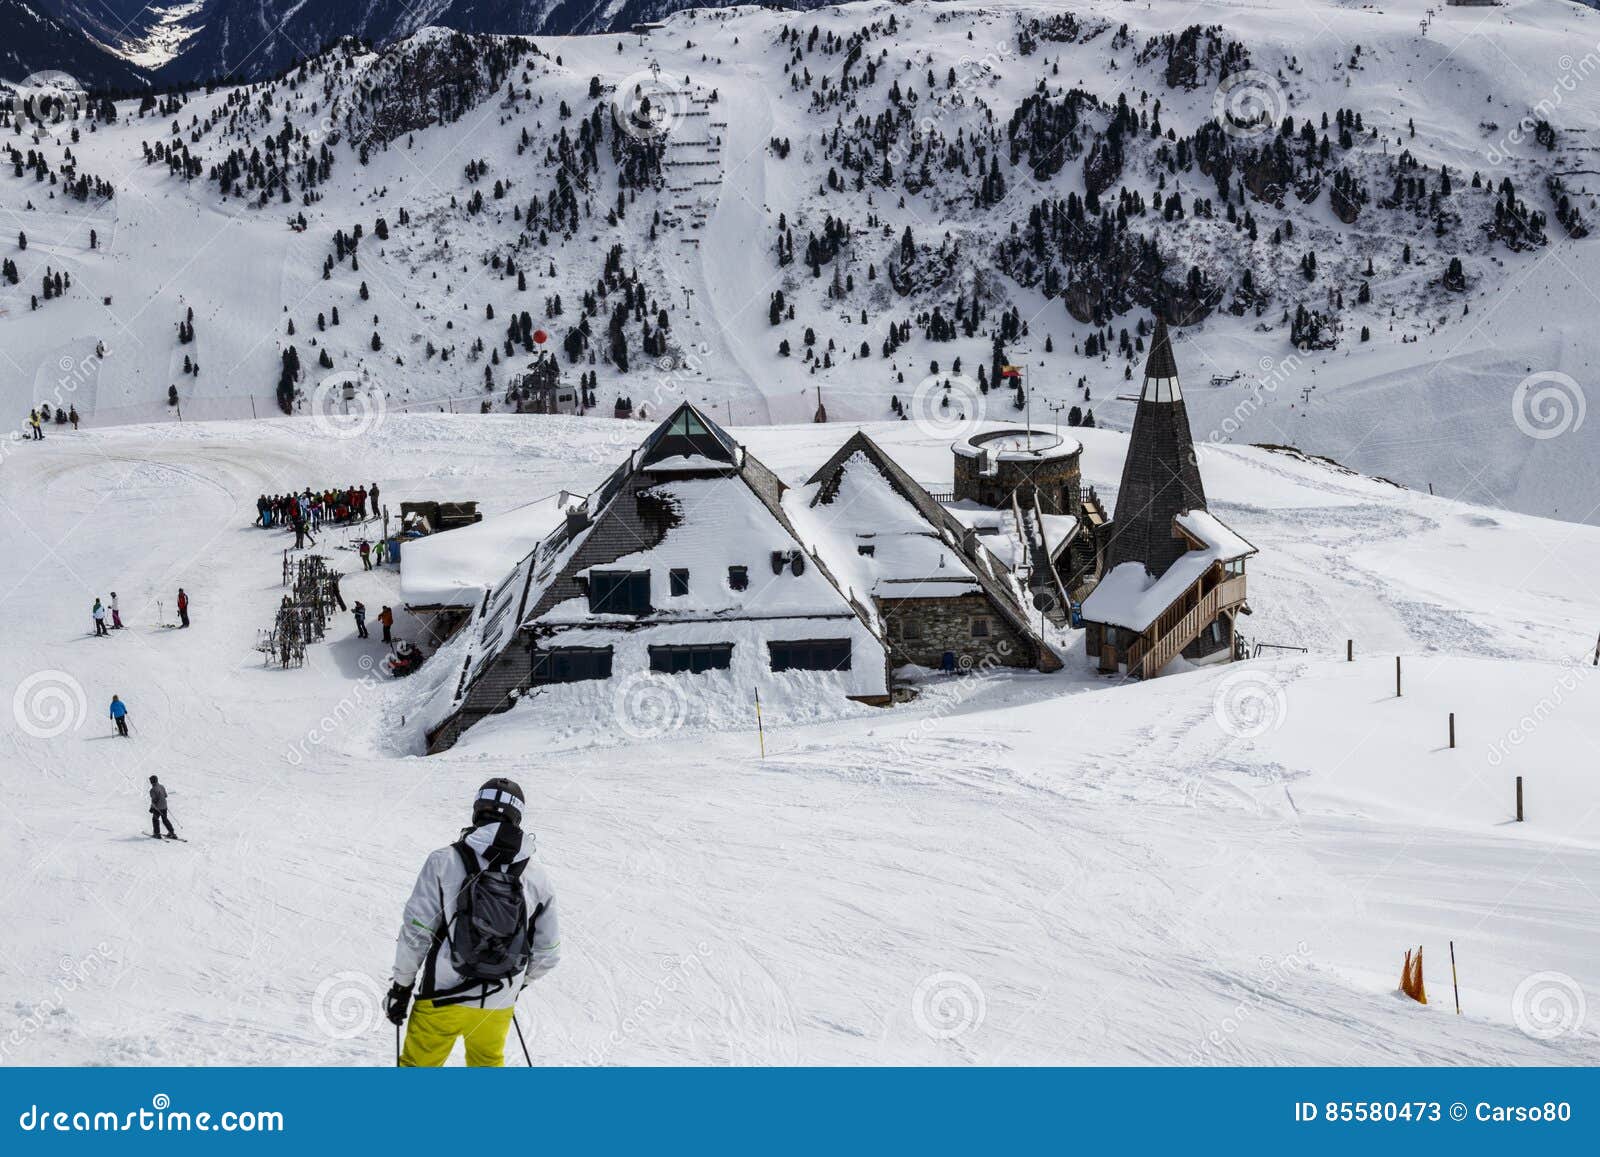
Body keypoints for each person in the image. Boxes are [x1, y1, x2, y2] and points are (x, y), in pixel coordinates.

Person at [384, 779, 559, 1067]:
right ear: (517, 817)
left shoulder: (444, 860)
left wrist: (401, 988)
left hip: (440, 995)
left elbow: (417, 932)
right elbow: (549, 951)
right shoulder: (537, 876)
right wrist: (514, 985)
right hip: (498, 1002)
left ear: (477, 812)